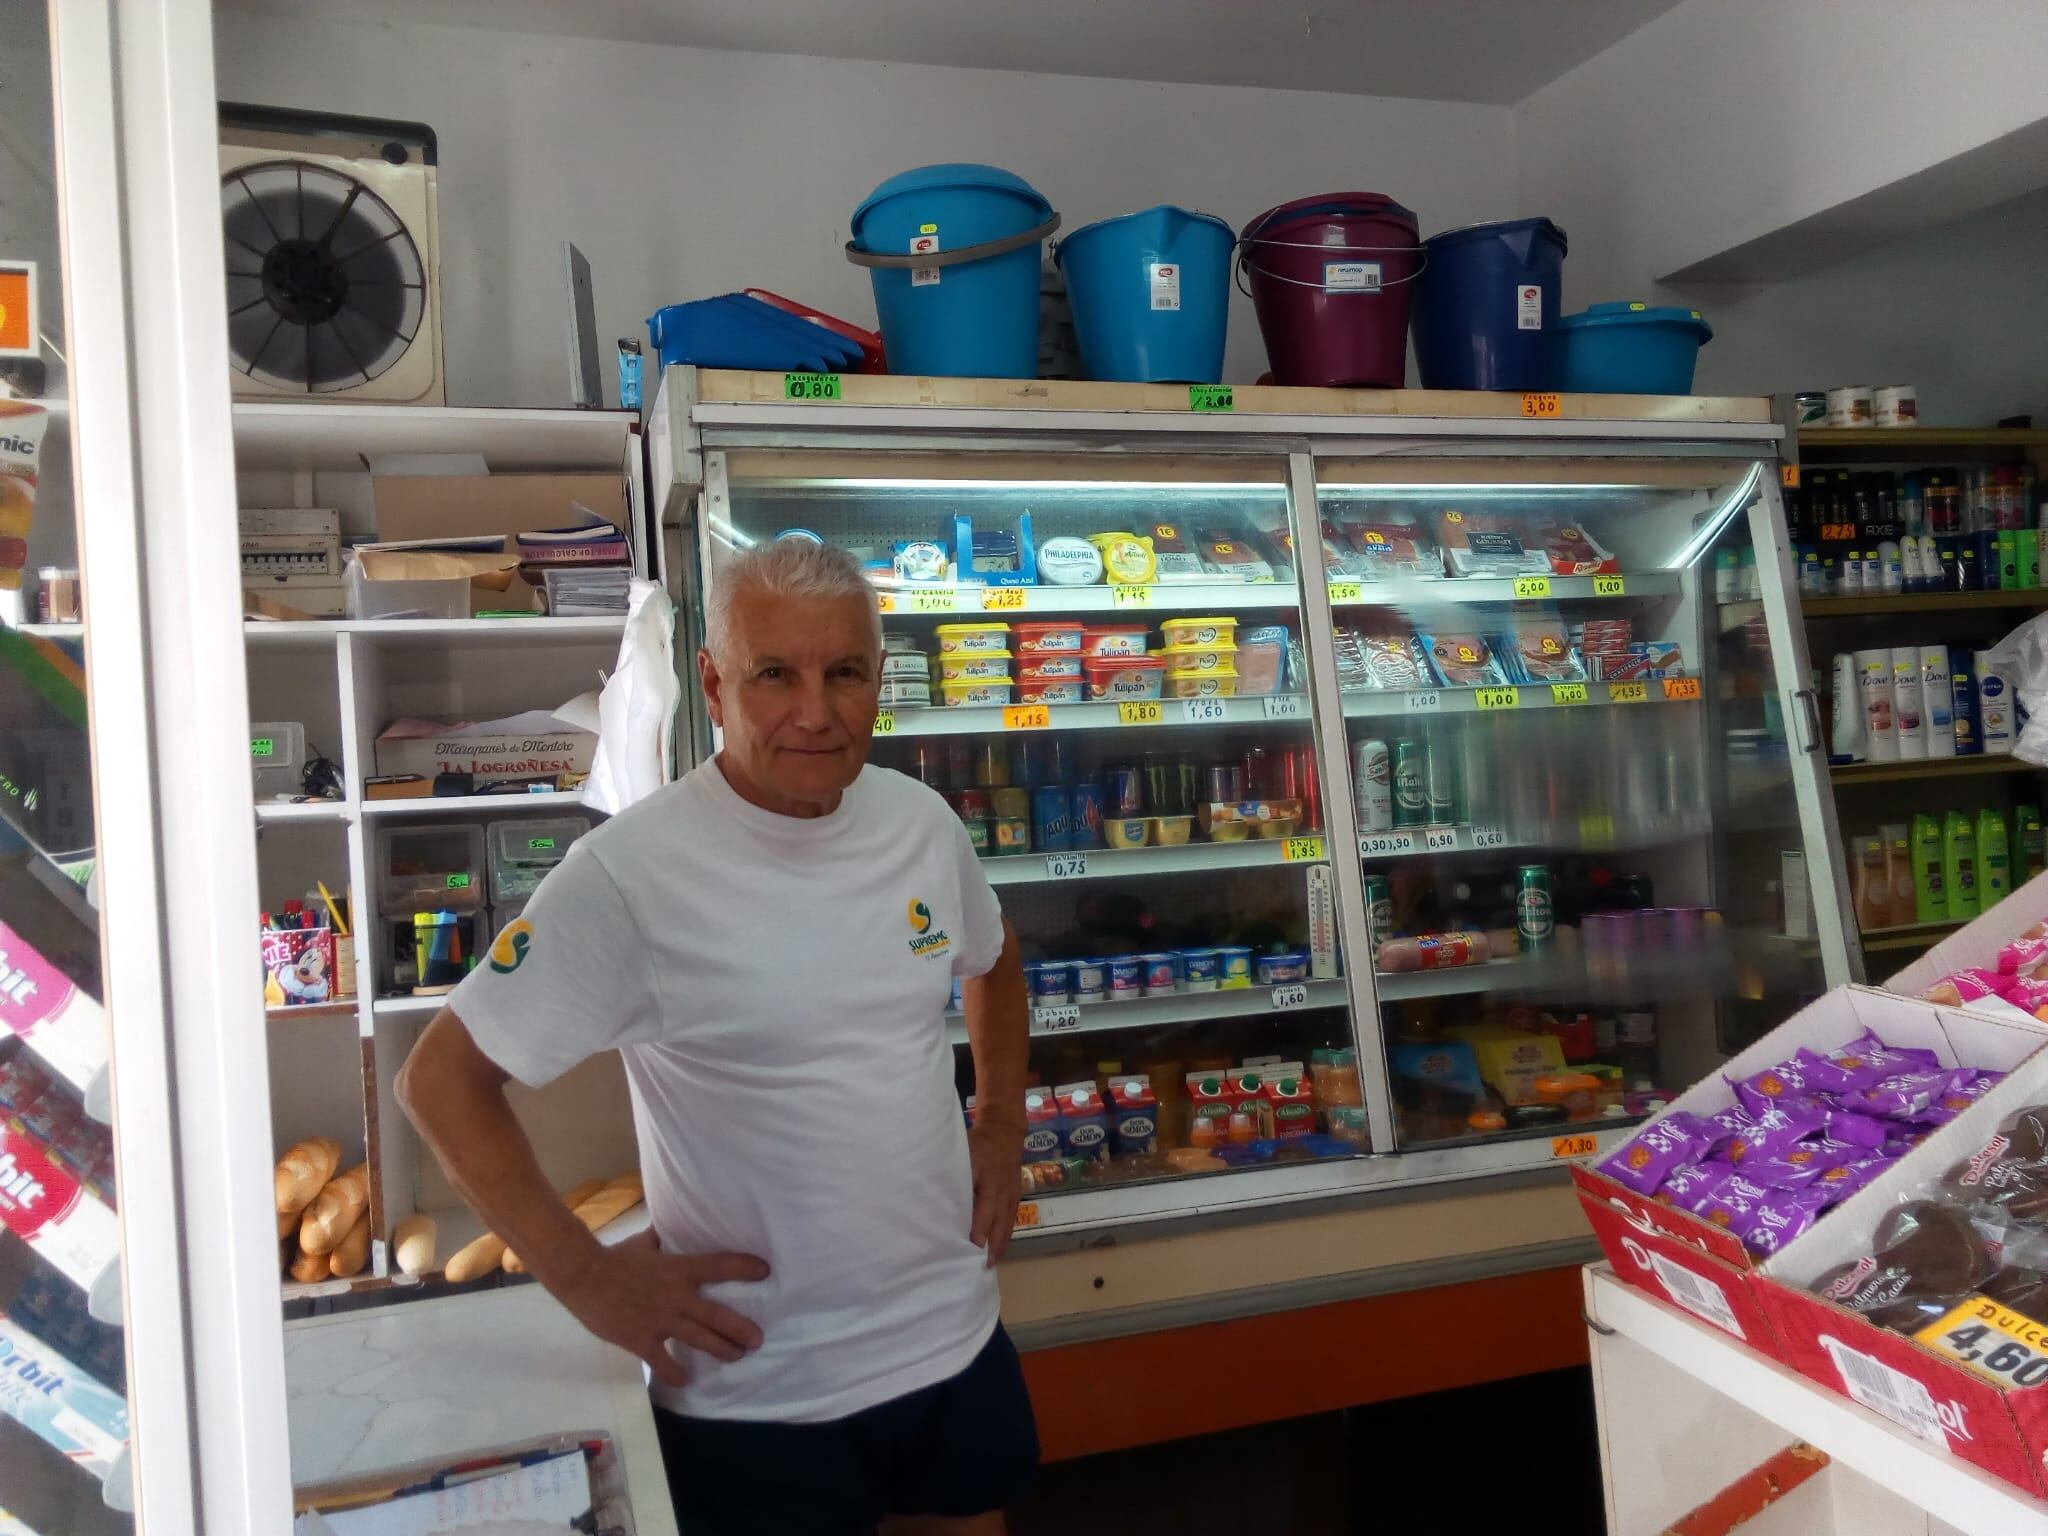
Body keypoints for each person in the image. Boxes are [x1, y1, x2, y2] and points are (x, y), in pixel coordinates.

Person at [396, 539, 1038, 1535]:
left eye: (844, 673)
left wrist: (999, 1125)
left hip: (948, 1341)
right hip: (757, 1390)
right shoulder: (629, 876)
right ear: (713, 680)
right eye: (773, 674)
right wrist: (587, 1281)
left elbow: (992, 963)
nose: (814, 712)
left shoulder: (919, 824)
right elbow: (440, 1079)